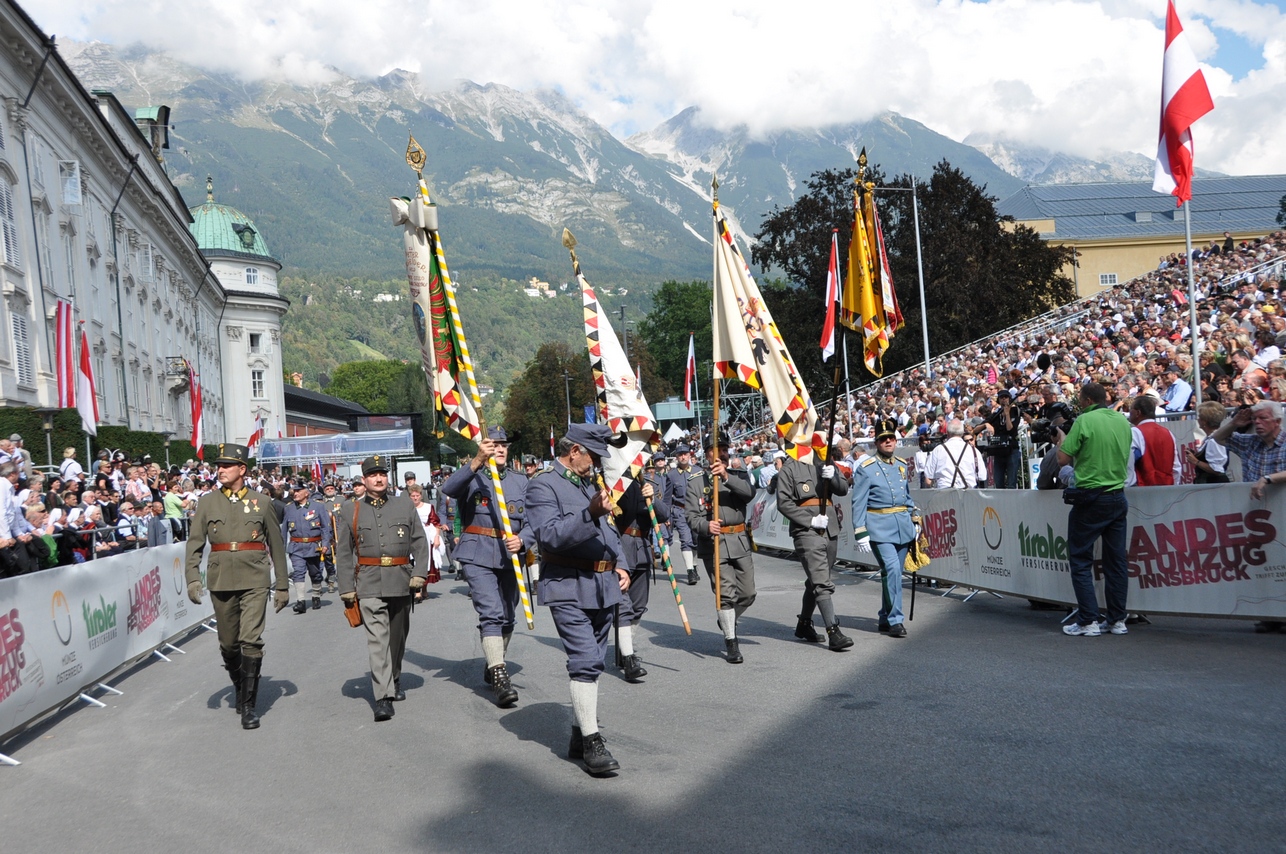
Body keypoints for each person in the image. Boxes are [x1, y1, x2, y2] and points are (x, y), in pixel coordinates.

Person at [524, 424, 631, 776]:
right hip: (567, 584)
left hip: (602, 584)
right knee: (585, 661)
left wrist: (623, 565)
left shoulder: (589, 483)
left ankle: (576, 732)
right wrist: (590, 514)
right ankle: (592, 742)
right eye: (593, 456)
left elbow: (611, 530)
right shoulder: (543, 484)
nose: (597, 464)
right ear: (574, 452)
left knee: (595, 661)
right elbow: (550, 536)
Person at [184, 443, 290, 730]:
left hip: (255, 577)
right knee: (229, 644)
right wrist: (193, 578)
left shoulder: (262, 502)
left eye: (226, 466)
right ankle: (239, 684)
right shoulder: (207, 503)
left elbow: (276, 546)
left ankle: (248, 706)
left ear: (242, 469)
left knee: (251, 640)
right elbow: (194, 544)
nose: (220, 470)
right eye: (218, 466)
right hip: (221, 578)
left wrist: (282, 585)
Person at [440, 426, 535, 707]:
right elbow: (449, 488)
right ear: (484, 448)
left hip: (510, 555)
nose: (501, 449)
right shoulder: (473, 475)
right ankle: (500, 676)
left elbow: (534, 519)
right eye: (494, 444)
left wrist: (524, 539)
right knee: (491, 612)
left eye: (504, 444)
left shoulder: (521, 482)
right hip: (478, 553)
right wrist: (477, 461)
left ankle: (494, 662)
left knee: (508, 616)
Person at [335, 455, 430, 722]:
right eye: (373, 475)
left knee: (397, 639)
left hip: (401, 579)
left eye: (383, 474)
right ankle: (383, 696)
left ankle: (395, 677)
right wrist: (346, 588)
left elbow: (420, 543)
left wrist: (419, 574)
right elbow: (344, 552)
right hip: (368, 582)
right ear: (364, 480)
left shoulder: (404, 505)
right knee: (378, 641)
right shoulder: (350, 510)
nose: (379, 479)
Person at [1056, 383, 1132, 637]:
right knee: (1116, 561)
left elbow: (1062, 460)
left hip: (1091, 497)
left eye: (1080, 399)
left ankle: (1088, 620)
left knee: (1080, 559)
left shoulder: (1084, 420)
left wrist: (1061, 441)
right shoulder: (1121, 420)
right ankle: (1117, 619)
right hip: (1117, 495)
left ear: (1087, 400)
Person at [1210, 399, 1286, 633]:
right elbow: (1218, 438)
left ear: (1277, 421)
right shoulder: (1251, 442)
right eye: (1255, 419)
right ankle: (1270, 614)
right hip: (1258, 519)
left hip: (1281, 515)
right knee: (1264, 564)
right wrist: (1234, 422)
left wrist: (1268, 479)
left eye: (1263, 418)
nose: (1258, 423)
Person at [685, 432, 758, 663]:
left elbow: (749, 495)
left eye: (724, 449)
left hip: (739, 541)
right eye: (715, 450)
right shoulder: (696, 482)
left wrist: (726, 476)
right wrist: (706, 526)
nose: (721, 454)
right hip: (714, 544)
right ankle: (731, 641)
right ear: (706, 454)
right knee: (725, 595)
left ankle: (726, 619)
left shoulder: (737, 475)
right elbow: (691, 517)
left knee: (747, 593)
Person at [775, 440, 852, 649]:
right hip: (806, 529)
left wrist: (833, 476)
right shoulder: (789, 468)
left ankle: (804, 623)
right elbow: (783, 502)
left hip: (830, 527)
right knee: (820, 581)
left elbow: (843, 489)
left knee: (817, 577)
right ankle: (833, 631)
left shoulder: (823, 459)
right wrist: (809, 520)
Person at [851, 420, 921, 638]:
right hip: (879, 527)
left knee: (894, 573)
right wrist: (860, 530)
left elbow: (906, 496)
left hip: (902, 525)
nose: (888, 441)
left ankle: (884, 616)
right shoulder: (866, 469)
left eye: (891, 438)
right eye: (883, 439)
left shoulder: (901, 464)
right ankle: (895, 620)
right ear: (876, 442)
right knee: (892, 570)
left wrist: (915, 518)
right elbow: (858, 501)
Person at [612, 463, 667, 680]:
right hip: (620, 549)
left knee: (638, 607)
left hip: (643, 550)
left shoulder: (649, 485)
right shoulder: (615, 485)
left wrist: (652, 499)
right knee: (623, 607)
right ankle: (629, 658)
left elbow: (663, 515)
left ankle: (625, 648)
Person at [280, 480, 333, 614]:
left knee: (315, 573)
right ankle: (300, 601)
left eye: (298, 491)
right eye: (294, 491)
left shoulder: (318, 507)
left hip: (313, 546)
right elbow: (284, 530)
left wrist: (326, 544)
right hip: (296, 546)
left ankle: (315, 595)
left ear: (306, 493)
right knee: (298, 572)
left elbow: (325, 527)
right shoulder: (289, 508)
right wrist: (281, 548)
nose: (295, 493)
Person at [1128, 396, 1180, 486]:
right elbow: (1176, 466)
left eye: (1130, 409)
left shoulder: (1134, 432)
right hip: (1167, 487)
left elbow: (1129, 464)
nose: (1129, 413)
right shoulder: (1168, 433)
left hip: (1144, 488)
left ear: (1138, 412)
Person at [666, 443, 699, 584]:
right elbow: (667, 498)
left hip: (698, 511)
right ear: (677, 458)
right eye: (680, 455)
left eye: (685, 454)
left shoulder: (698, 471)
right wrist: (666, 516)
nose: (683, 457)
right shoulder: (671, 476)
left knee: (696, 541)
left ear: (690, 455)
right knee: (686, 540)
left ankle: (694, 565)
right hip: (680, 511)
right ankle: (690, 571)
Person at [924, 420, 987, 489]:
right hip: (969, 494)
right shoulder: (974, 451)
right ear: (962, 433)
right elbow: (982, 476)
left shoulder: (938, 450)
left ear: (947, 433)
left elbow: (928, 479)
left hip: (944, 494)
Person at [983, 391, 1021, 488]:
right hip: (999, 449)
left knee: (1011, 481)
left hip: (1011, 448)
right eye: (1001, 398)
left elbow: (1010, 429)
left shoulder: (1015, 411)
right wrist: (986, 424)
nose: (1004, 399)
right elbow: (986, 422)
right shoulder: (996, 413)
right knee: (998, 481)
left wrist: (1007, 414)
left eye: (1006, 397)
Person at [1186, 401, 1230, 484]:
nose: (1198, 419)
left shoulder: (1214, 441)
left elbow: (1217, 470)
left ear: (1204, 422)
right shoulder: (1211, 438)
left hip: (1213, 485)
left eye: (1199, 417)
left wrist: (1196, 461)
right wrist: (1196, 456)